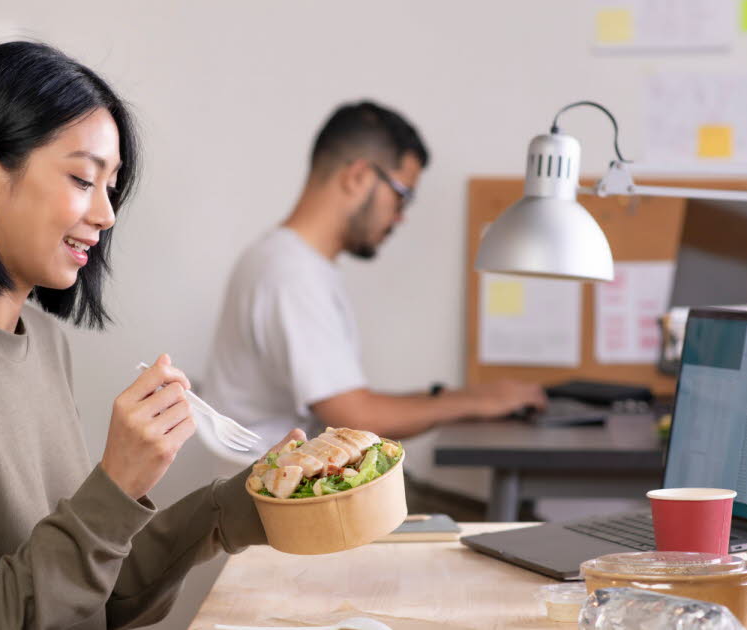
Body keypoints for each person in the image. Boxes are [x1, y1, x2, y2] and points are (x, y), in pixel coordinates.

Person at [0, 41, 302, 630]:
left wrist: (240, 504)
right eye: (82, 179)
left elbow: (86, 592)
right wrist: (115, 484)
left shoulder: (38, 340)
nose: (107, 214)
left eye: (111, 186)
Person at [202, 101, 546, 453]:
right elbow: (356, 417)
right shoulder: (291, 273)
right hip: (274, 498)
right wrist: (475, 402)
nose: (401, 218)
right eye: (402, 197)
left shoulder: (289, 261)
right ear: (358, 177)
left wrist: (456, 397)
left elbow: (351, 402)